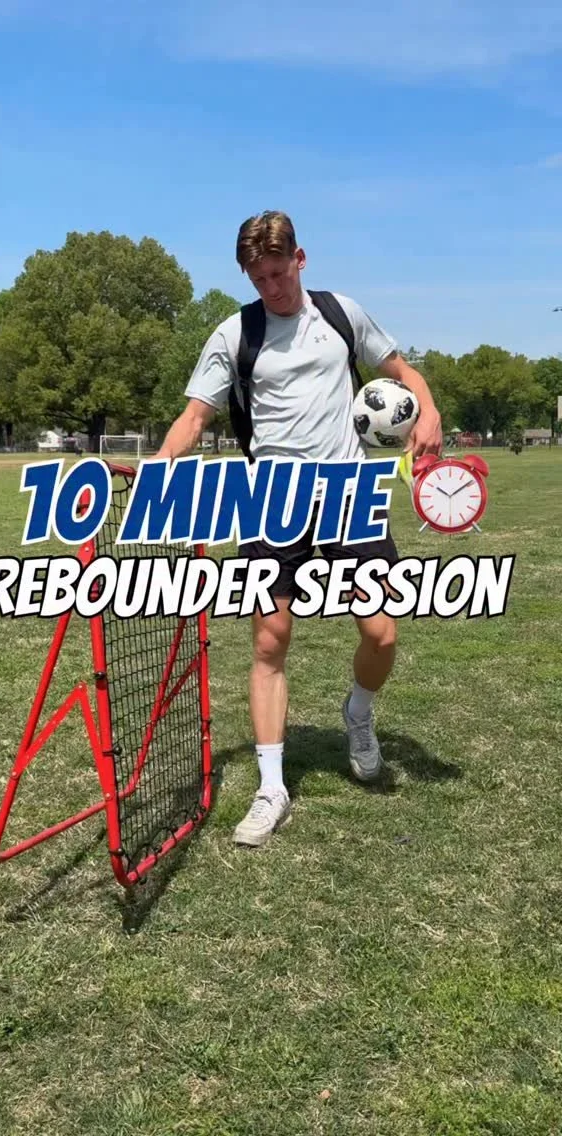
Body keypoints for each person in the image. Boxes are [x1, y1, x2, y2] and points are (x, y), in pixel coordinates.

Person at [156, 211, 442, 847]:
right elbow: (195, 416)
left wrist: (428, 410)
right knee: (270, 640)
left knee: (382, 632)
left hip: (347, 494)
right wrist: (158, 466)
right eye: (258, 278)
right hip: (271, 501)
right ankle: (270, 788)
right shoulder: (235, 333)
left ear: (300, 259)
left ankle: (358, 715)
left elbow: (403, 371)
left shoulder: (341, 315)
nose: (271, 288)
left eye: (278, 273)